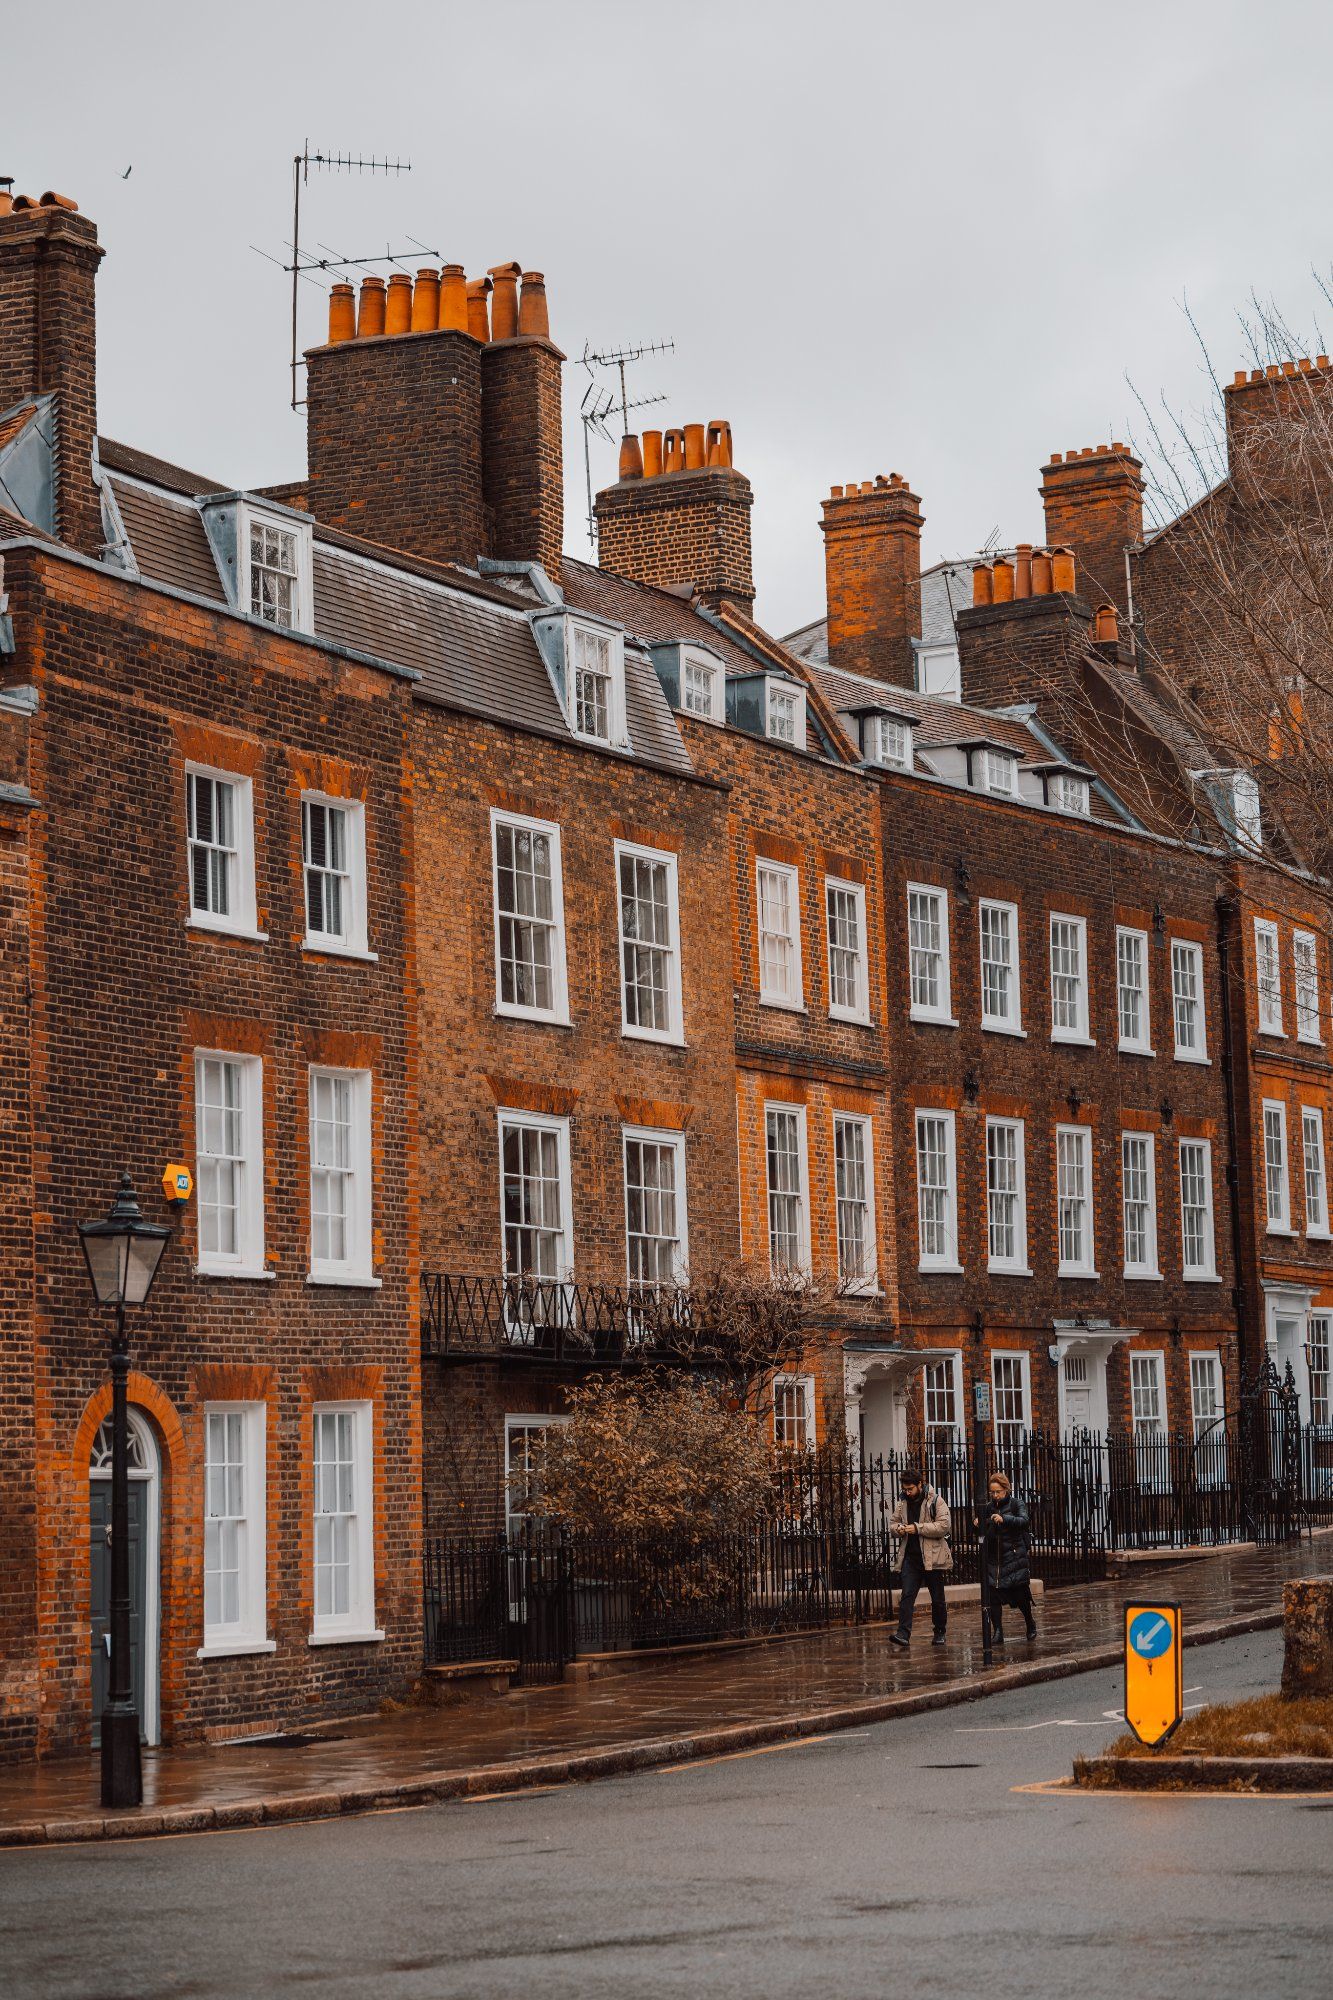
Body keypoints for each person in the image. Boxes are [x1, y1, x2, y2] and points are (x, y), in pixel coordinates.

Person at [888, 1465, 952, 1648]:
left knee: (937, 1598)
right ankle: (903, 1634)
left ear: (920, 1484)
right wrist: (898, 1529)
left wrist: (918, 1528)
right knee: (907, 1595)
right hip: (911, 1557)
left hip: (932, 1557)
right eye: (905, 1489)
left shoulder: (936, 1501)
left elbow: (944, 1526)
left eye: (910, 1489)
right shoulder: (902, 1503)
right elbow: (893, 1524)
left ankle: (940, 1631)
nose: (907, 1493)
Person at [977, 1470, 1036, 1643]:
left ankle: (1030, 1623)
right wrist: (977, 1525)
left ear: (1006, 1490)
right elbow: (983, 1531)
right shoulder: (988, 1507)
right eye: (992, 1492)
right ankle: (998, 1632)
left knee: (1020, 1595)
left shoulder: (1017, 1503)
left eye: (998, 1491)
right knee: (993, 1595)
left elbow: (1024, 1521)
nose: (995, 1495)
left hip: (1014, 1557)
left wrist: (1004, 1519)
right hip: (995, 1559)